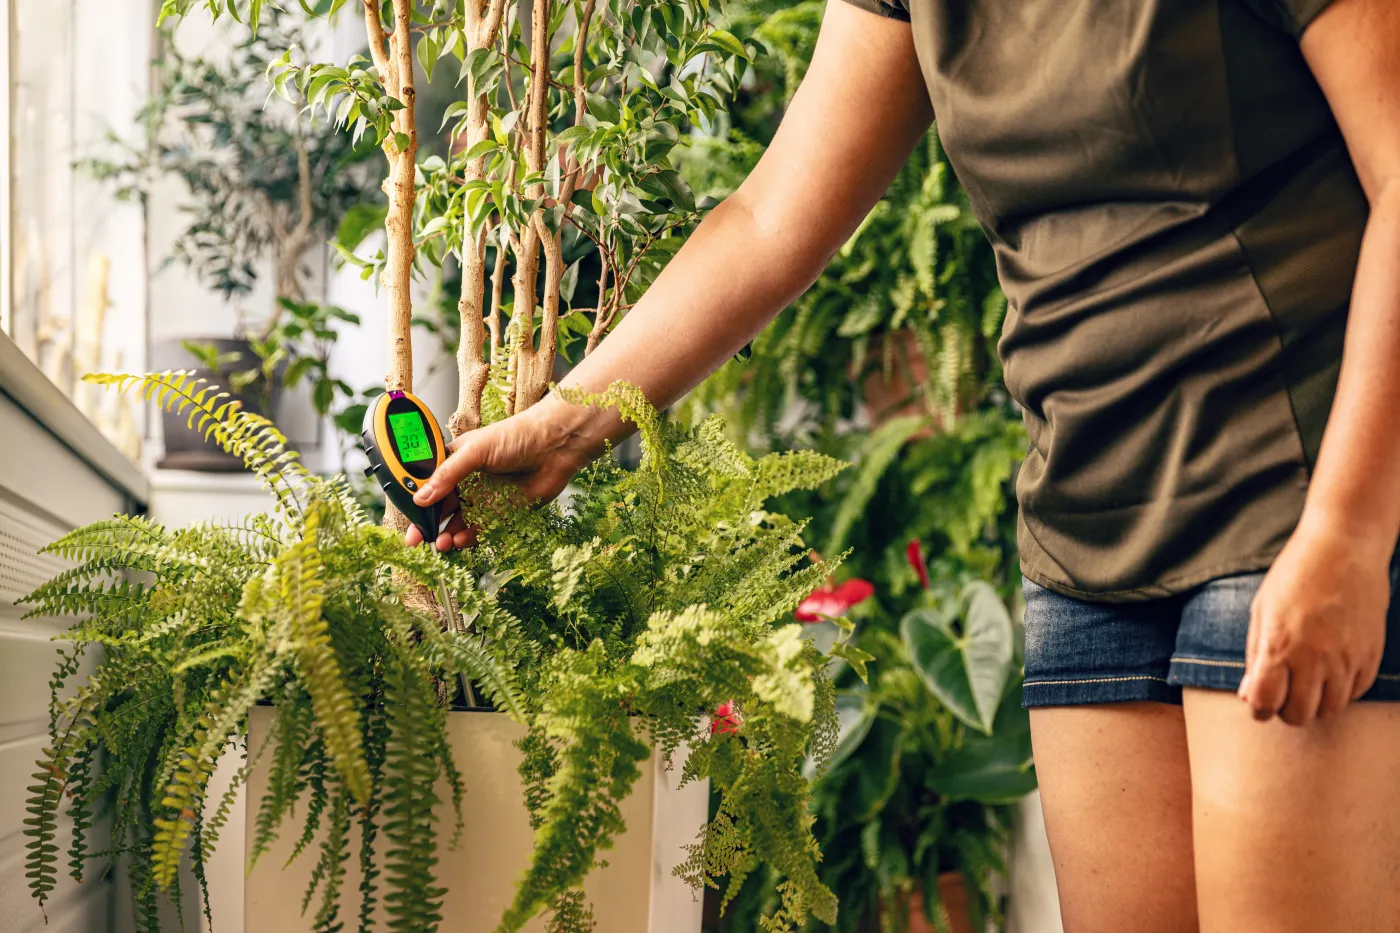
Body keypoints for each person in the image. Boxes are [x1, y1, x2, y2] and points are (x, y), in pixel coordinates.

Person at [407, 1, 1400, 930]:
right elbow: (770, 219)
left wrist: (1348, 533)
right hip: (1085, 528)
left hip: (1289, 495)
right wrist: (564, 428)